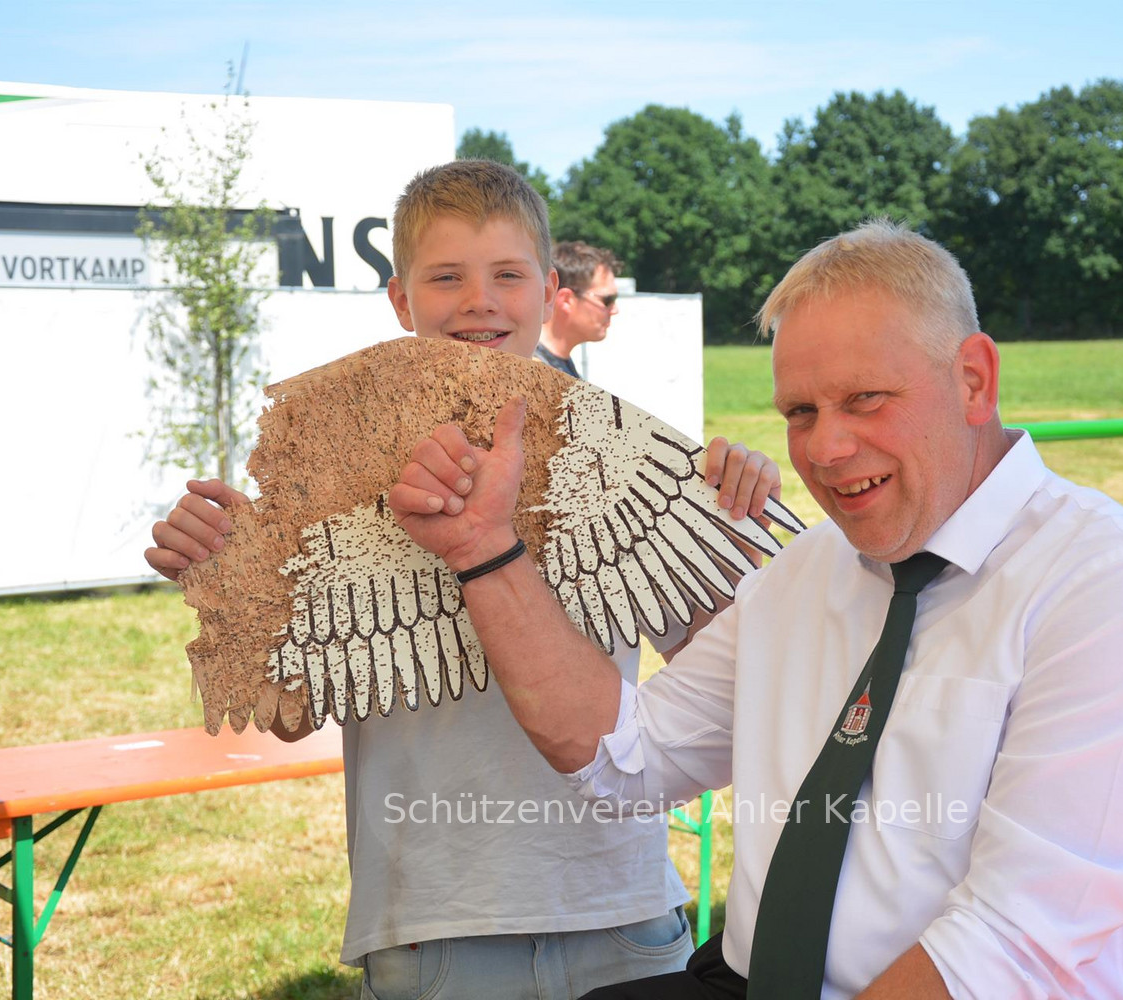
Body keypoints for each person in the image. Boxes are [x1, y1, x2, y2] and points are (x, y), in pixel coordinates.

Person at [386, 219, 1123, 999]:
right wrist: (484, 551)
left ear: (974, 381)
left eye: (866, 399)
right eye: (800, 412)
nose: (826, 449)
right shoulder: (805, 573)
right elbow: (628, 757)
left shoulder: (1112, 589)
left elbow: (1012, 949)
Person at [144, 159, 783, 1000]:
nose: (479, 301)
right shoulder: (325, 479)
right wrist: (230, 583)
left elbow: (729, 678)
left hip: (621, 916)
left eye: (507, 276)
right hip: (434, 933)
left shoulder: (620, 459)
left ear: (548, 293)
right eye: (446, 277)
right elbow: (289, 714)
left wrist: (726, 514)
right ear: (400, 299)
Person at [535, 240, 622, 379]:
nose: (615, 310)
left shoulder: (556, 364)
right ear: (566, 300)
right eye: (607, 300)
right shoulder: (533, 374)